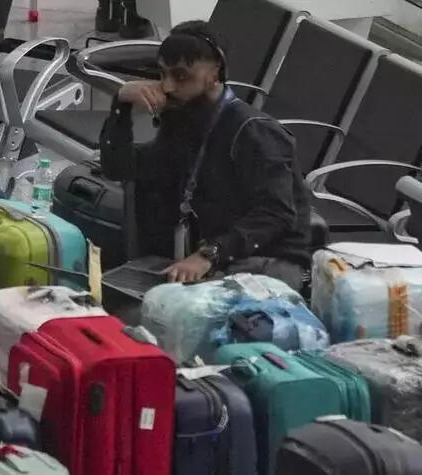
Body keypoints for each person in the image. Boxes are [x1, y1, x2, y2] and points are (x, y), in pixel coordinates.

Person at [99, 21, 314, 288]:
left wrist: (208, 255)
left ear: (214, 75)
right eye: (162, 74)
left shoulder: (253, 132)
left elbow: (277, 214)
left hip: (268, 262)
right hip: (215, 259)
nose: (166, 87)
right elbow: (119, 169)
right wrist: (120, 105)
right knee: (111, 295)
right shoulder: (183, 122)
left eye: (180, 76)